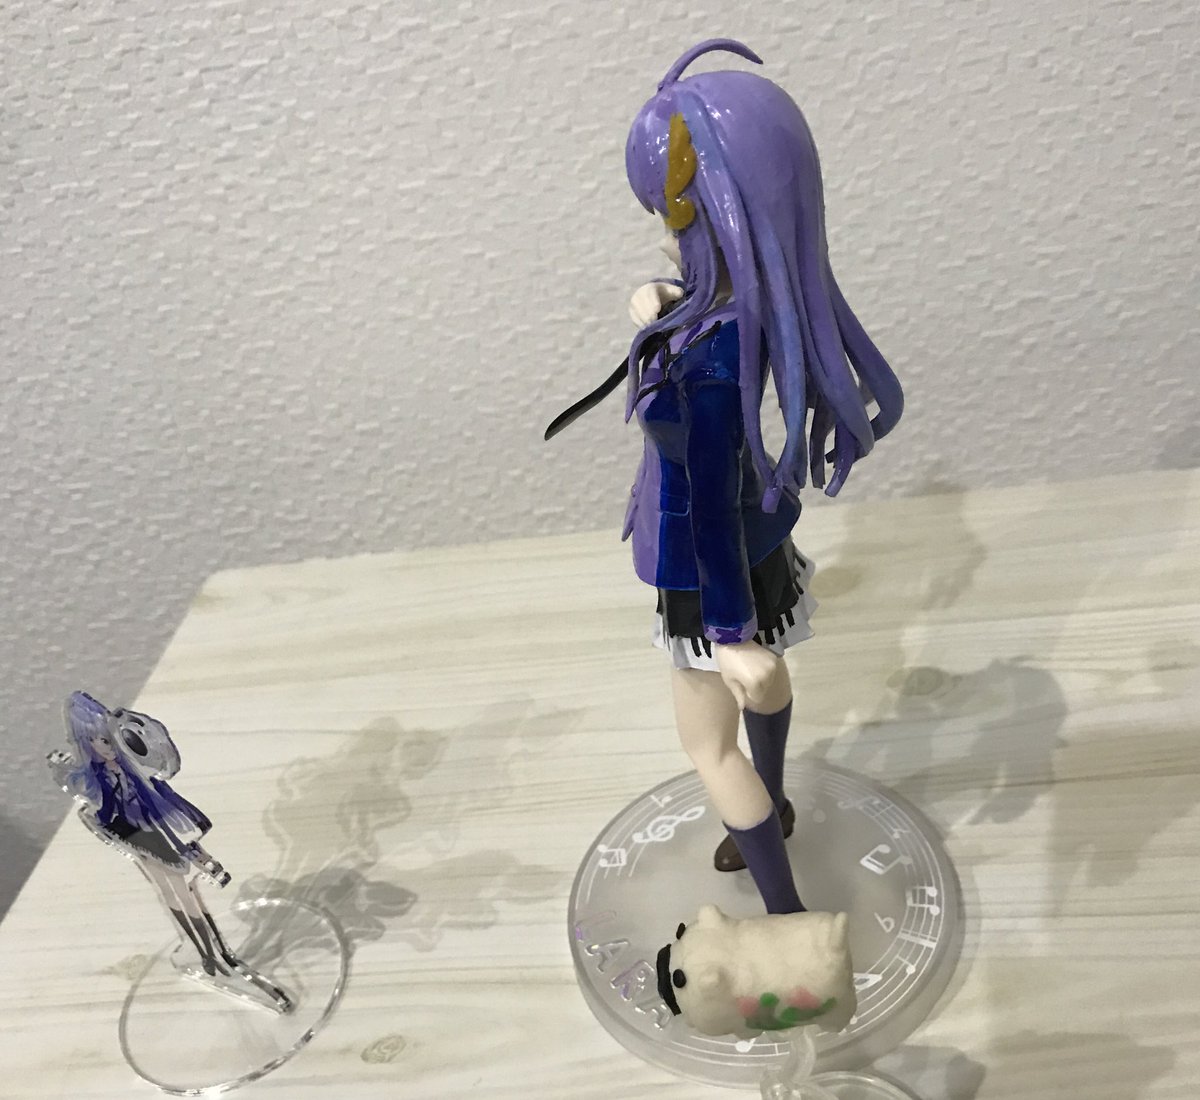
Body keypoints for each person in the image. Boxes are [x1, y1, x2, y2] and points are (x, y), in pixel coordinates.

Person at [620, 39, 904, 915]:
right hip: (757, 540)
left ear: (707, 208)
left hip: (705, 569)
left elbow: (706, 496)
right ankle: (774, 803)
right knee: (768, 680)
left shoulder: (709, 367)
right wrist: (667, 301)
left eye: (672, 213)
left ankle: (786, 918)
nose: (666, 228)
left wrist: (729, 629)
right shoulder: (736, 316)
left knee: (710, 749)